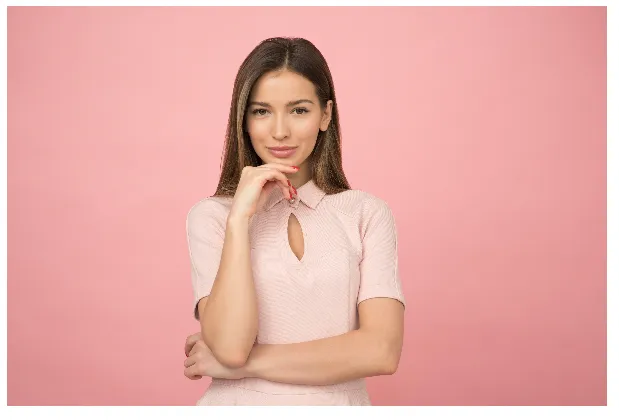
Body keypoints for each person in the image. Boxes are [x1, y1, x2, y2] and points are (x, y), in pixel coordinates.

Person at [182, 37, 405, 406]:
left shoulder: (366, 214)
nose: (280, 131)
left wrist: (242, 367)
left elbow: (380, 350)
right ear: (243, 118)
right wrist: (239, 219)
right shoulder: (213, 218)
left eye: (299, 110)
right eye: (261, 111)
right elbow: (230, 347)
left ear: (326, 115)